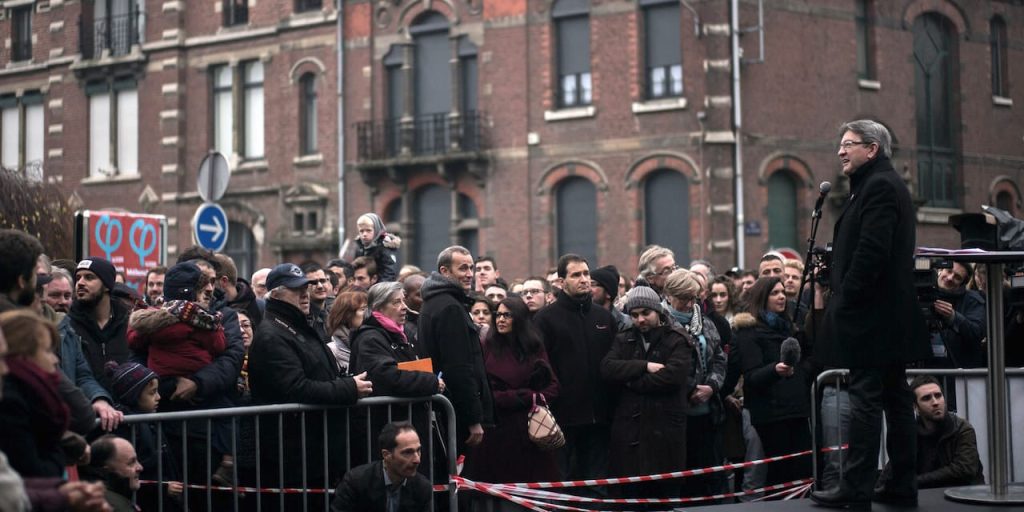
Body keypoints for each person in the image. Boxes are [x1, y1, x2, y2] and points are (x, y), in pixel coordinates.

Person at [811, 120, 931, 509]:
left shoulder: (878, 187)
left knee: (866, 400)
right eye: (840, 144)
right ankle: (901, 483)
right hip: (886, 315)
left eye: (849, 144)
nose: (841, 151)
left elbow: (872, 251)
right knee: (895, 398)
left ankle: (856, 487)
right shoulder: (879, 184)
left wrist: (846, 297)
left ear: (873, 149)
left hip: (872, 317)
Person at [248, 263, 373, 502]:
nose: (305, 294)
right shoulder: (272, 335)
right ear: (276, 295)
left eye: (305, 287)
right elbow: (296, 388)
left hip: (316, 447)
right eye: (297, 289)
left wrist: (344, 382)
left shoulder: (299, 325)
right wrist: (349, 388)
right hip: (294, 453)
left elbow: (319, 373)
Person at [601, 286, 691, 500]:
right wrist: (643, 366)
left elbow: (672, 377)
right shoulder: (624, 338)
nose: (640, 320)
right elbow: (608, 368)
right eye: (634, 315)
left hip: (665, 428)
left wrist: (631, 382)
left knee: (664, 495)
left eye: (645, 313)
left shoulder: (677, 339)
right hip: (630, 432)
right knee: (632, 496)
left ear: (657, 311)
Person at [533, 254, 616, 482]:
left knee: (597, 482)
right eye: (576, 275)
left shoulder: (604, 317)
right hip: (562, 418)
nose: (584, 279)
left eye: (586, 274)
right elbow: (539, 367)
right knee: (563, 481)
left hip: (600, 417)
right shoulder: (545, 319)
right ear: (561, 282)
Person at [463, 296, 561, 484]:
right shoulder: (487, 347)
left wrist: (529, 397)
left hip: (529, 430)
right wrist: (512, 397)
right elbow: (481, 389)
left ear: (519, 318)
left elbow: (553, 387)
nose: (500, 320)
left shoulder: (534, 347)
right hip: (496, 431)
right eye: (498, 315)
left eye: (507, 315)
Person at [733, 277, 813, 486]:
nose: (781, 297)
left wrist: (801, 372)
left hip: (797, 409)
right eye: (774, 293)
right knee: (779, 473)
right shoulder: (749, 331)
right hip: (770, 413)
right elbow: (752, 375)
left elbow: (808, 358)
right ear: (762, 297)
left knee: (803, 471)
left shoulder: (790, 327)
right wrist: (775, 370)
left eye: (782, 292)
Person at [418, 246, 493, 453]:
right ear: (444, 271)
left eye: (471, 268)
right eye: (462, 268)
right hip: (454, 413)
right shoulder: (449, 307)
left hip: (447, 407)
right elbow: (458, 367)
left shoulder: (436, 302)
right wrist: (473, 419)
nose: (469, 274)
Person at [663, 269, 727, 498]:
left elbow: (719, 357)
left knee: (706, 475)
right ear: (669, 296)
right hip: (675, 412)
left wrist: (711, 386)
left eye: (693, 298)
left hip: (707, 411)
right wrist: (691, 389)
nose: (690, 304)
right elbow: (665, 366)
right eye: (684, 298)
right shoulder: (660, 324)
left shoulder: (705, 323)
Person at [127, 261, 226, 402]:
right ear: (193, 294)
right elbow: (219, 345)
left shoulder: (150, 321)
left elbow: (134, 340)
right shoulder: (201, 321)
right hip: (198, 391)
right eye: (200, 291)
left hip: (160, 388)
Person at [878, 375, 983, 490]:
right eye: (926, 398)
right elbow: (892, 469)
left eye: (938, 395)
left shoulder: (962, 428)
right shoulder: (911, 433)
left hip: (963, 493)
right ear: (915, 407)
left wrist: (914, 481)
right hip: (927, 494)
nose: (935, 402)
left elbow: (964, 469)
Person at [0, 310, 68, 478]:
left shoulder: (34, 394)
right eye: (47, 351)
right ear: (24, 355)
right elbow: (34, 472)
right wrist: (60, 452)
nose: (55, 360)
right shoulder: (11, 402)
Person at [330, 422, 432, 512]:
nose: (417, 460)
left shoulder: (422, 488)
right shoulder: (356, 482)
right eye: (408, 452)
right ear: (386, 455)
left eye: (418, 450)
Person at [81, 435, 143, 512]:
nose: (140, 467)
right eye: (131, 463)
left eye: (136, 460)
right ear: (107, 470)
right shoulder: (114, 506)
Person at [326, 290, 369, 374]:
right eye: (363, 309)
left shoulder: (373, 340)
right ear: (347, 315)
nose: (368, 313)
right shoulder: (332, 351)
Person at [354, 213, 401, 283]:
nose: (364, 234)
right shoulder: (360, 247)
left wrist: (376, 288)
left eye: (368, 230)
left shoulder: (385, 246)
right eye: (361, 231)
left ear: (376, 230)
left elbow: (389, 273)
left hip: (381, 286)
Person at [591, 265, 631, 332]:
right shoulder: (584, 320)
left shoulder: (626, 324)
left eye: (593, 285)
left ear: (608, 293)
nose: (588, 289)